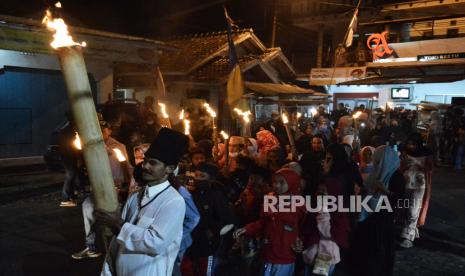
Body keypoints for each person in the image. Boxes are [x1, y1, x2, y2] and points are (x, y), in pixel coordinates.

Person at [98, 127, 189, 276]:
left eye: (152, 163)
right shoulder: (134, 197)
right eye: (146, 161)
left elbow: (156, 242)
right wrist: (107, 270)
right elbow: (116, 240)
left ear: (169, 168)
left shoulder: (173, 201)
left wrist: (119, 224)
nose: (145, 166)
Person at [72, 121, 131, 260]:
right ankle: (90, 245)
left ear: (109, 131)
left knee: (112, 220)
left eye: (103, 130)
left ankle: (117, 251)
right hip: (98, 189)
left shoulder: (117, 146)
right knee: (87, 207)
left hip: (114, 189)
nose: (100, 133)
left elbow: (126, 166)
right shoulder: (91, 146)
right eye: (98, 130)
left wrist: (125, 185)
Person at [234, 168, 306, 276]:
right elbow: (263, 222)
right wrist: (247, 229)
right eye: (275, 182)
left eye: (282, 183)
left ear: (292, 183)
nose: (277, 185)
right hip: (268, 251)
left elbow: (304, 227)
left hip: (285, 253)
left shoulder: (299, 204)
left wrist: (300, 242)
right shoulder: (270, 198)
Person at [350, 146, 406, 276]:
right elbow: (365, 191)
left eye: (378, 160)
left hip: (383, 221)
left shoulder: (396, 177)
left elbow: (398, 200)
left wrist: (384, 191)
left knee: (378, 255)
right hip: (367, 219)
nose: (376, 162)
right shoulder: (376, 172)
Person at [183, 162, 236, 276]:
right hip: (190, 243)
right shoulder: (190, 194)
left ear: (211, 178)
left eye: (202, 176)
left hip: (208, 246)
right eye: (196, 175)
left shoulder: (216, 196)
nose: (197, 179)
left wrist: (213, 232)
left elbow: (227, 220)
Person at [399, 133, 433, 248]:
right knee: (404, 207)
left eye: (413, 144)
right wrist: (405, 165)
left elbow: (430, 169)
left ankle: (409, 236)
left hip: (419, 184)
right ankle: (408, 229)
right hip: (406, 182)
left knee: (413, 210)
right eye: (409, 144)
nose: (411, 147)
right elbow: (400, 166)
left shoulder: (426, 153)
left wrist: (420, 165)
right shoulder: (405, 151)